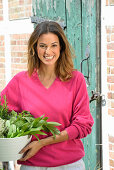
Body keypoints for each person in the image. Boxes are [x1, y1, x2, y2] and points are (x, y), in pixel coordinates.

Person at [0, 21, 94, 170]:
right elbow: (2, 111)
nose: (47, 52)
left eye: (53, 45)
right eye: (42, 46)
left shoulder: (76, 80)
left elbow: (83, 125)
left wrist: (43, 143)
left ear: (61, 47)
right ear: (35, 47)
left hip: (69, 164)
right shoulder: (20, 81)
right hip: (32, 165)